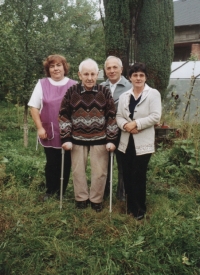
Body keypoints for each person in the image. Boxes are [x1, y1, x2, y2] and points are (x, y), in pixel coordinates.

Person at [59, 58, 118, 212]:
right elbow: (64, 115)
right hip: (77, 139)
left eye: (93, 74)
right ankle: (81, 198)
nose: (90, 78)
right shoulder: (72, 92)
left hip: (100, 139)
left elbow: (112, 116)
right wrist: (66, 137)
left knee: (100, 172)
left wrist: (111, 139)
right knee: (78, 171)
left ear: (97, 74)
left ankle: (96, 200)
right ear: (80, 75)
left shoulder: (104, 92)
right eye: (86, 74)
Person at [116, 62, 161, 220]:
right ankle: (130, 208)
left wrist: (136, 124)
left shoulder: (153, 94)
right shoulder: (124, 96)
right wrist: (126, 126)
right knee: (127, 175)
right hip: (126, 143)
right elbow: (119, 116)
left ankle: (140, 211)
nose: (138, 78)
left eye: (141, 75)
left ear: (146, 77)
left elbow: (155, 116)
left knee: (138, 176)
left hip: (143, 143)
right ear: (130, 78)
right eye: (135, 75)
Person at [28, 54, 77, 201]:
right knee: (51, 162)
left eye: (58, 65)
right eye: (52, 66)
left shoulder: (74, 85)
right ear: (48, 69)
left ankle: (61, 192)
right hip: (48, 130)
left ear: (64, 67)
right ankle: (50, 191)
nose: (55, 69)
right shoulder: (42, 84)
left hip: (69, 131)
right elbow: (34, 107)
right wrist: (39, 128)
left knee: (66, 162)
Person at [101, 56, 132, 201]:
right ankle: (104, 192)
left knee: (123, 163)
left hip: (123, 132)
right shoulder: (100, 87)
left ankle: (122, 194)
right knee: (104, 164)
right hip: (103, 133)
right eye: (109, 68)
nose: (112, 70)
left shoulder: (130, 86)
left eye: (115, 67)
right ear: (105, 70)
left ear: (121, 69)